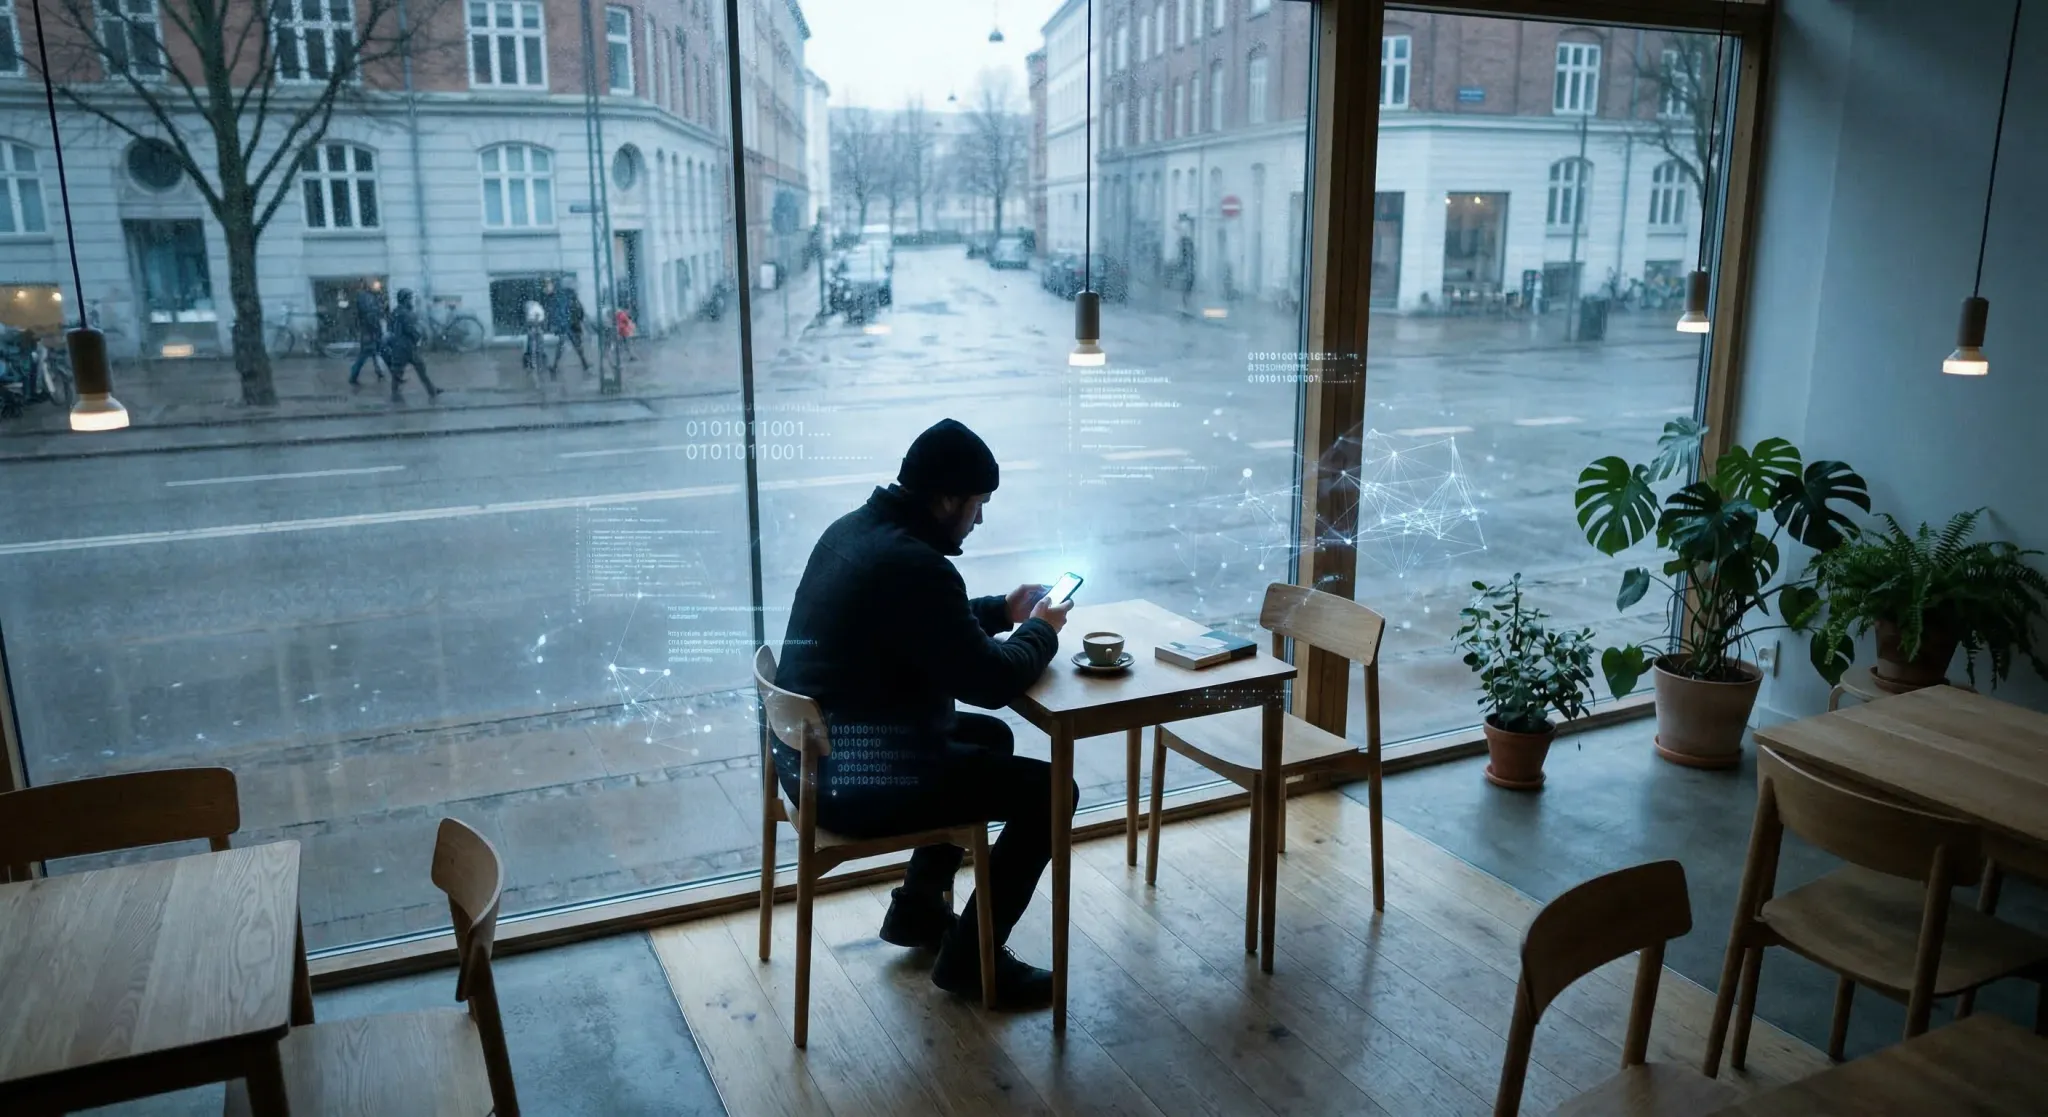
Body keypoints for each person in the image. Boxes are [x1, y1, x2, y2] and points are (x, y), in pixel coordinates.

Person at [776, 418, 1073, 1010]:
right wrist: (1042, 630)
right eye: (976, 504)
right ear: (945, 500)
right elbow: (991, 680)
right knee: (1051, 793)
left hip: (811, 758)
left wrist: (1001, 610)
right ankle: (971, 962)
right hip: (853, 781)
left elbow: (920, 625)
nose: (980, 519)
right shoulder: (916, 566)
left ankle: (916, 911)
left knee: (988, 739)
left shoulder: (855, 531)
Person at [382, 289, 440, 401]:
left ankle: (431, 390)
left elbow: (390, 327)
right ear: (405, 300)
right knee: (418, 369)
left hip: (399, 347)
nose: (411, 301)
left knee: (399, 371)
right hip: (407, 346)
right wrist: (419, 336)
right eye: (409, 298)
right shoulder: (405, 313)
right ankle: (431, 391)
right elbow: (410, 329)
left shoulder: (395, 312)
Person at [545, 278, 588, 377]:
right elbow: (580, 311)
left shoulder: (563, 298)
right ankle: (584, 364)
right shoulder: (570, 298)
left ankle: (555, 367)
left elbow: (562, 312)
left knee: (563, 346)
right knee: (575, 346)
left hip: (567, 326)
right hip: (571, 325)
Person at [347, 280, 387, 385]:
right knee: (366, 355)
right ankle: (353, 376)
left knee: (376, 353)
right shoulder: (366, 297)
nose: (378, 288)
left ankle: (380, 372)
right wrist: (375, 331)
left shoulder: (369, 297)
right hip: (370, 332)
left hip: (370, 331)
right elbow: (370, 315)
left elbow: (373, 313)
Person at [1175, 217, 1197, 313]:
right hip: (1189, 271)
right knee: (1186, 289)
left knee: (1186, 288)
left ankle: (1186, 305)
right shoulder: (1187, 243)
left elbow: (1185, 258)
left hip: (1188, 272)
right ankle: (1186, 305)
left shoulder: (1186, 243)